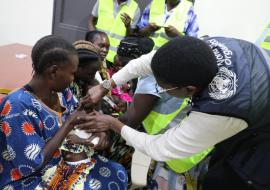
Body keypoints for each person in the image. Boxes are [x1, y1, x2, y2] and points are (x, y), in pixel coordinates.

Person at [79, 36, 270, 190]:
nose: (159, 91)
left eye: (163, 88)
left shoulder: (223, 110)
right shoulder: (202, 49)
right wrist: (106, 85)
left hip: (259, 149)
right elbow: (146, 63)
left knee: (231, 179)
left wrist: (112, 124)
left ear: (189, 89)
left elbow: (159, 148)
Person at [0, 35, 128, 190]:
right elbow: (30, 166)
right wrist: (69, 123)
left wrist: (98, 130)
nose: (73, 78)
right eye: (72, 73)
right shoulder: (17, 106)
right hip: (29, 179)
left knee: (118, 172)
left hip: (63, 162)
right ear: (54, 72)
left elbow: (80, 115)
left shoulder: (61, 92)